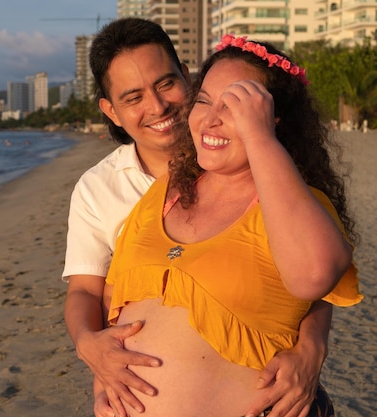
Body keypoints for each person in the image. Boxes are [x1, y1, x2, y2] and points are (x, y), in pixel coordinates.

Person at [63, 18, 340, 417]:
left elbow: (311, 281)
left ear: (186, 78)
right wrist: (96, 355)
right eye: (133, 97)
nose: (157, 107)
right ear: (111, 111)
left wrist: (313, 345)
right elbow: (100, 295)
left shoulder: (284, 193)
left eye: (166, 84)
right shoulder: (110, 191)